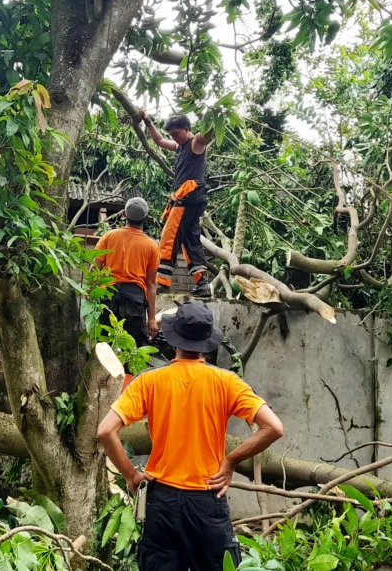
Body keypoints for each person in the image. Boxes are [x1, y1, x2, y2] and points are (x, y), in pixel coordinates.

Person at [96, 302, 285, 571]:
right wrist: (230, 462)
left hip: (161, 503)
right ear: (207, 343)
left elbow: (105, 431)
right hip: (207, 500)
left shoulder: (149, 381)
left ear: (173, 340)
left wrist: (131, 476)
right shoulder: (227, 381)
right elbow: (274, 427)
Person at [138, 112, 213, 297]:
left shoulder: (195, 142)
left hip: (189, 196)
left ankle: (162, 280)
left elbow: (206, 135)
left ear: (187, 129)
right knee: (191, 241)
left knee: (169, 235)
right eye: (172, 134)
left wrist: (210, 115)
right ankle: (202, 284)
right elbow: (160, 141)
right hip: (189, 198)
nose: (174, 137)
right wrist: (148, 122)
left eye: (177, 133)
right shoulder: (179, 146)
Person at [94, 197, 159, 346]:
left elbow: (94, 270)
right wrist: (151, 319)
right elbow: (150, 284)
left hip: (107, 294)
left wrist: (88, 298)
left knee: (104, 345)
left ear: (124, 214)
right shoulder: (151, 246)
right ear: (146, 218)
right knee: (133, 347)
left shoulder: (109, 236)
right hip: (134, 298)